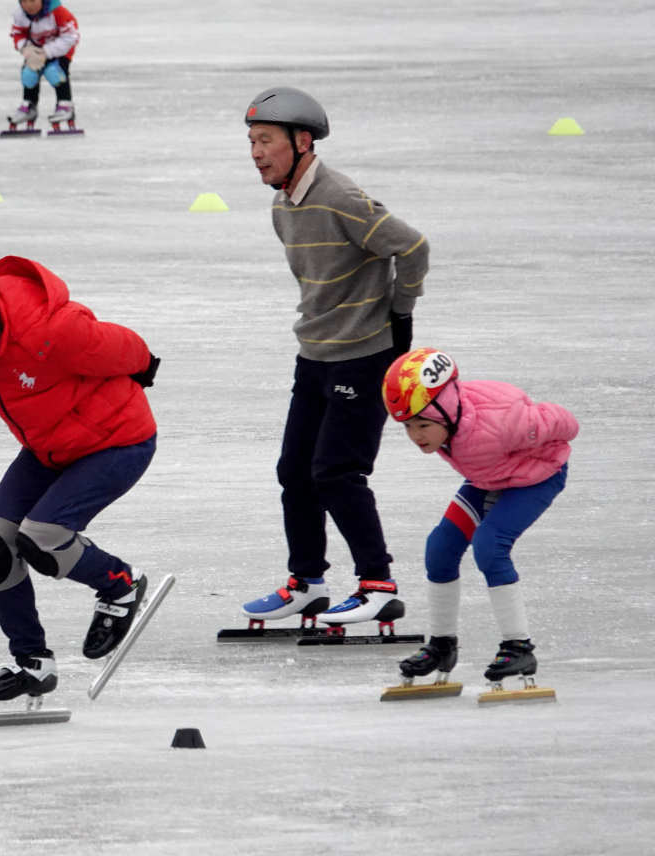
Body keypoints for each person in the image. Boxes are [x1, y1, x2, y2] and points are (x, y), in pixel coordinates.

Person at [0, 253, 161, 703]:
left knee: (43, 538)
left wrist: (112, 399)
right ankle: (32, 663)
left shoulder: (53, 332)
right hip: (49, 449)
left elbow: (132, 350)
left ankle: (120, 585)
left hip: (117, 442)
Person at [239, 87, 430, 631]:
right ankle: (308, 584)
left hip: (364, 356)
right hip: (315, 355)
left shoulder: (339, 196)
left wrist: (400, 317)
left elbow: (411, 246)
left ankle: (378, 586)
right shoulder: (285, 204)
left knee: (337, 472)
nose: (256, 151)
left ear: (302, 142)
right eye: (251, 141)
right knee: (295, 471)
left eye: (266, 140)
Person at [383, 348, 578, 684]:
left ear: (446, 411)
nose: (416, 436)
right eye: (408, 427)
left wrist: (536, 436)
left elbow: (566, 423)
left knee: (490, 545)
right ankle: (442, 645)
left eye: (423, 425)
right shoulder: (449, 422)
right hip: (489, 478)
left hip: (537, 477)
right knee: (440, 548)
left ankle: (518, 647)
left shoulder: (503, 422)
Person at [6, 0, 80, 130]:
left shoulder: (59, 13)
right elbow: (17, 34)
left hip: (59, 52)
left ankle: (65, 104)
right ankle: (29, 106)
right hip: (35, 52)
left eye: (33, 0)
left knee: (54, 73)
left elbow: (71, 36)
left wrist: (47, 52)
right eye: (24, 1)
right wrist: (26, 48)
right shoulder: (20, 16)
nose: (29, 5)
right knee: (28, 74)